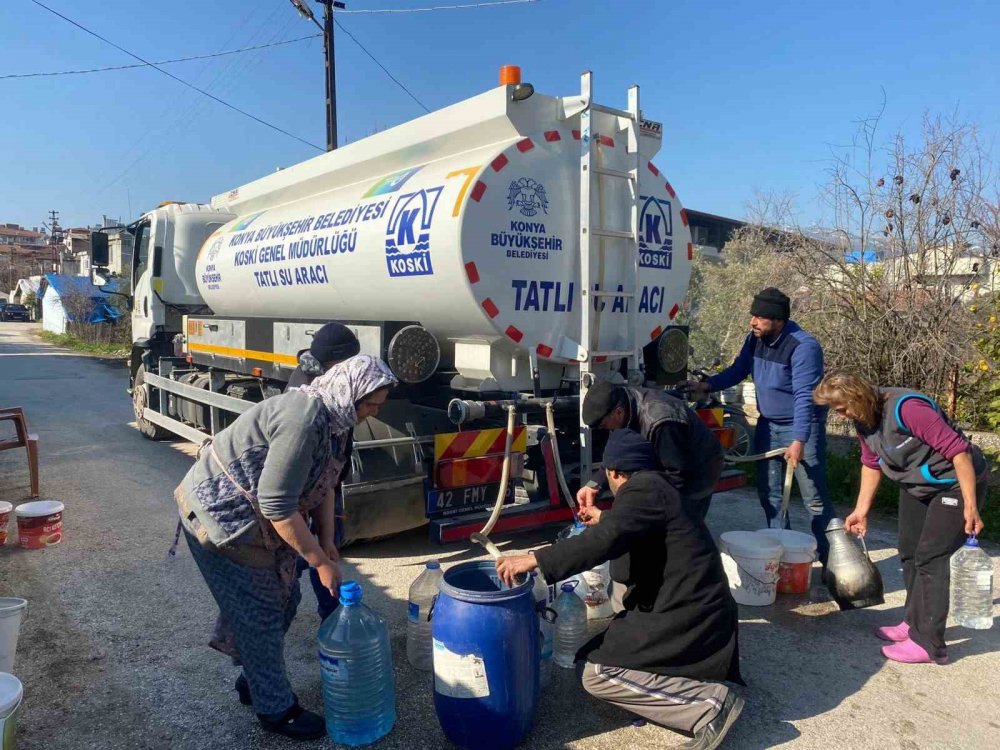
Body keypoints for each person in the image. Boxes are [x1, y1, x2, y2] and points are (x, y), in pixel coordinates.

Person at [174, 354, 397, 740]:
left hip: (260, 516)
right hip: (221, 515)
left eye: (379, 405)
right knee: (259, 610)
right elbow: (277, 502)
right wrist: (317, 561)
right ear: (351, 391)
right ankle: (276, 710)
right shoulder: (305, 418)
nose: (373, 412)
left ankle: (256, 679)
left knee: (285, 599)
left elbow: (326, 482)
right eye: (370, 404)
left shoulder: (339, 419)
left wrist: (326, 542)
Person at [497, 429, 744, 750]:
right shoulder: (657, 487)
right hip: (693, 609)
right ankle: (683, 683)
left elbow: (604, 541)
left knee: (597, 672)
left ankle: (708, 706)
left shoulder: (645, 493)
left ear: (615, 473)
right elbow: (630, 526)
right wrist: (606, 518)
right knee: (596, 649)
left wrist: (533, 558)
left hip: (692, 619)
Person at [813, 373, 988, 665]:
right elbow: (871, 463)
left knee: (931, 557)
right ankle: (913, 622)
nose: (840, 415)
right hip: (917, 484)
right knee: (908, 551)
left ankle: (930, 644)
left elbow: (958, 452)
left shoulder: (907, 409)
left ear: (858, 397)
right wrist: (861, 510)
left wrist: (970, 505)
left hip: (956, 484)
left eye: (842, 408)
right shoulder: (864, 420)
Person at [683, 287, 835, 565]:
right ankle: (782, 558)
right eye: (753, 315)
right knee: (771, 495)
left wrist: (799, 439)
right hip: (768, 424)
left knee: (814, 499)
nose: (753, 321)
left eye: (760, 317)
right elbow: (738, 370)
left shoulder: (804, 347)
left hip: (801, 427)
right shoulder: (755, 340)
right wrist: (707, 386)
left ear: (778, 320)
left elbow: (805, 397)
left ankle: (832, 562)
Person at [285, 322, 362, 621]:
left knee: (327, 548)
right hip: (303, 492)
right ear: (333, 361)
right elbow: (286, 497)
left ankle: (332, 617)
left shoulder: (335, 384)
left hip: (325, 486)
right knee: (297, 558)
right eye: (349, 362)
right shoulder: (307, 392)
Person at [577, 380, 724, 521]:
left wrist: (635, 508)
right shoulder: (622, 407)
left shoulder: (661, 421)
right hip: (672, 460)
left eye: (604, 425)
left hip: (698, 470)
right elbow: (614, 460)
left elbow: (677, 478)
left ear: (618, 412)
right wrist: (592, 485)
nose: (605, 429)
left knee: (681, 528)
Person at [285, 321, 361, 389]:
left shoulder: (316, 373)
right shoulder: (308, 388)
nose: (351, 365)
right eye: (349, 360)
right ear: (332, 360)